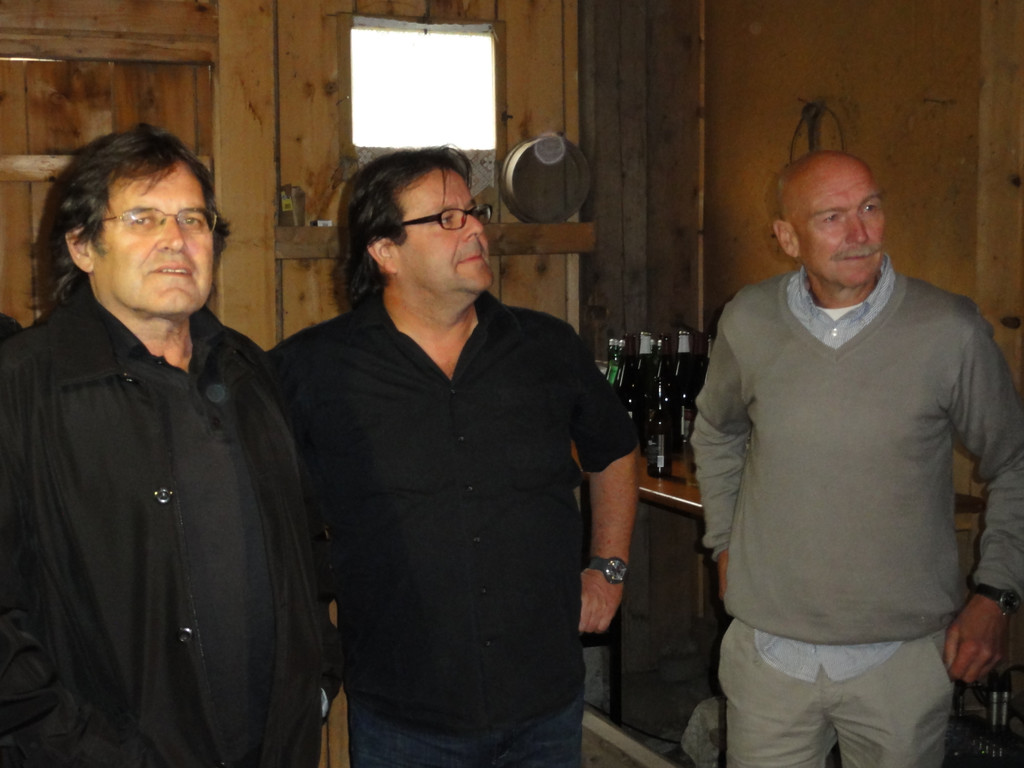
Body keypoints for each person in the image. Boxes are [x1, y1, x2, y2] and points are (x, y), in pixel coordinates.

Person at [272, 146, 639, 767]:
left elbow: (615, 450)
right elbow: (268, 511)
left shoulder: (547, 347)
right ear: (384, 251)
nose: (474, 229)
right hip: (404, 713)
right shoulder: (311, 370)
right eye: (445, 218)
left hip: (544, 702)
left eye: (473, 212)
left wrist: (608, 568)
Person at [0, 123, 342, 767]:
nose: (175, 239)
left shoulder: (250, 371)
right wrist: (83, 751)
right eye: (142, 218)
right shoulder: (18, 389)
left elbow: (306, 543)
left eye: (193, 219)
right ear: (82, 246)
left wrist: (316, 683)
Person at [692, 149, 1024, 768]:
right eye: (832, 217)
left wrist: (997, 592)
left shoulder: (948, 330)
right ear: (787, 237)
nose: (860, 232)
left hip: (900, 666)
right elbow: (716, 431)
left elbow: (1015, 460)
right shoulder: (749, 320)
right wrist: (725, 542)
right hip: (770, 660)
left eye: (870, 207)